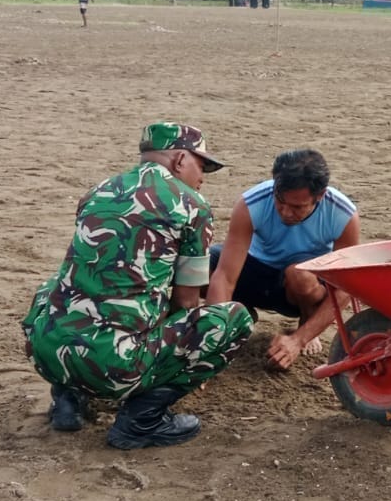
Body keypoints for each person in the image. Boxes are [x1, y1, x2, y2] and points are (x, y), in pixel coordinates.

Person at [21, 123, 255, 448]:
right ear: (179, 160)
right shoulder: (191, 205)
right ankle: (141, 421)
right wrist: (182, 357)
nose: (202, 178)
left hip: (47, 354)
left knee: (59, 287)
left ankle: (67, 398)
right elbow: (187, 301)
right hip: (114, 366)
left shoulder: (97, 190)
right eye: (201, 166)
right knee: (234, 319)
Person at [206, 148, 359, 370]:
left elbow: (344, 290)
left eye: (297, 207)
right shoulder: (252, 203)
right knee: (198, 264)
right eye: (280, 201)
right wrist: (213, 346)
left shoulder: (343, 215)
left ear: (320, 195)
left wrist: (298, 340)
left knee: (299, 274)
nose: (286, 212)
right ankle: (239, 313)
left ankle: (306, 324)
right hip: (257, 271)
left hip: (300, 288)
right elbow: (225, 276)